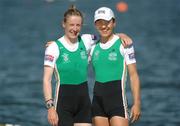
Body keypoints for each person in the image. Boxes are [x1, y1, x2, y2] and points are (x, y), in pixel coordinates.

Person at [43, 5, 132, 126]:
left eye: (78, 25)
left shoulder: (87, 40)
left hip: (83, 106)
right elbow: (46, 80)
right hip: (63, 105)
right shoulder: (53, 48)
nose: (75, 28)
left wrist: (121, 35)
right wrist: (50, 107)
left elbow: (107, 36)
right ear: (64, 24)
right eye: (71, 25)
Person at [90, 7, 141, 126]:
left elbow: (134, 76)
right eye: (99, 23)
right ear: (95, 25)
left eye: (107, 22)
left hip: (117, 103)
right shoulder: (92, 46)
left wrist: (137, 103)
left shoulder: (124, 44)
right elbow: (72, 45)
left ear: (114, 22)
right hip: (97, 104)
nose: (103, 26)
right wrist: (55, 45)